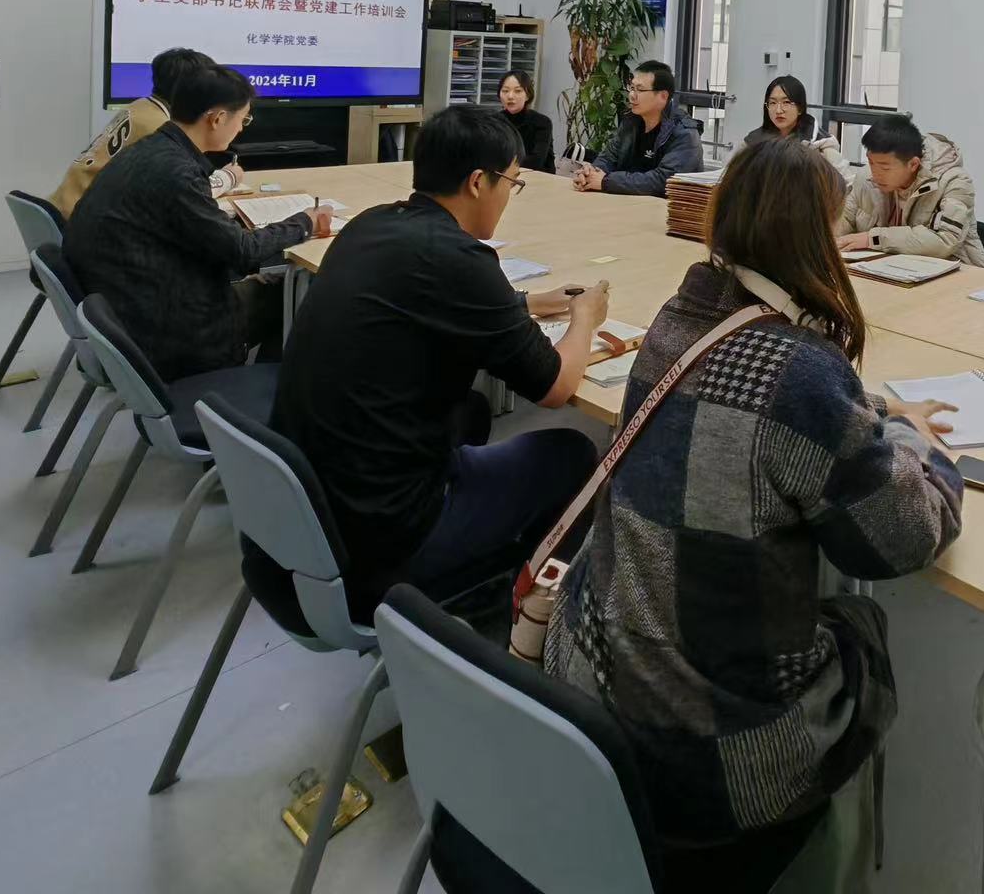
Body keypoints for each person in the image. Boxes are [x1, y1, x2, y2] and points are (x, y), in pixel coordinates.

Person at [542, 136, 965, 889]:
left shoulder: (679, 316)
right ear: (810, 236)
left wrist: (865, 411)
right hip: (707, 752)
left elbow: (758, 396)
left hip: (596, 682)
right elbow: (903, 538)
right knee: (861, 625)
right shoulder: (801, 373)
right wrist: (919, 445)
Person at [270, 102, 608, 617]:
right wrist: (585, 317)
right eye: (511, 183)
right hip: (383, 539)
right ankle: (514, 608)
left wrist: (527, 303)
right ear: (478, 182)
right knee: (574, 453)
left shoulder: (370, 225)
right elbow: (555, 387)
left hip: (312, 508)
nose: (509, 196)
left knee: (470, 411)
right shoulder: (461, 259)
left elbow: (428, 298)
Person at [65, 65, 326, 382]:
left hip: (130, 303)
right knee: (298, 293)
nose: (241, 129)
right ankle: (252, 388)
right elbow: (243, 251)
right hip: (169, 331)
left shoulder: (150, 150)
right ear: (217, 119)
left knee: (274, 282)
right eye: (243, 119)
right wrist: (305, 222)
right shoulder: (178, 172)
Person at [49, 47, 241, 217]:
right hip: (82, 219)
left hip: (63, 206)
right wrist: (227, 177)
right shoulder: (162, 129)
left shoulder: (140, 106)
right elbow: (186, 195)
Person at [834, 113, 984, 266]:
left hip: (956, 273)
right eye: (871, 162)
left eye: (885, 167)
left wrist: (873, 238)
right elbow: (841, 224)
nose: (875, 173)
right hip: (888, 269)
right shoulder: (865, 178)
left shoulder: (954, 181)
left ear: (913, 164)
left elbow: (945, 240)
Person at [576, 59, 703, 196]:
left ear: (663, 96)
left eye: (640, 90)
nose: (632, 95)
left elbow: (663, 181)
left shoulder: (685, 133)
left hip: (666, 206)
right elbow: (608, 158)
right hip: (627, 201)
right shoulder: (631, 121)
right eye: (632, 88)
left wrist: (606, 181)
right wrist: (591, 172)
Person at [737, 74, 847, 174]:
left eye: (786, 102)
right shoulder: (752, 142)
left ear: (800, 108)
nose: (778, 110)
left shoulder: (821, 146)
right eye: (773, 103)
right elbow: (732, 177)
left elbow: (844, 183)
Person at [497, 69, 556, 174]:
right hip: (504, 176)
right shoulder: (495, 121)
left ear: (527, 95)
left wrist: (500, 161)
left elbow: (536, 161)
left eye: (518, 91)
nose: (510, 96)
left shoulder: (542, 122)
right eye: (505, 91)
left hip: (539, 177)